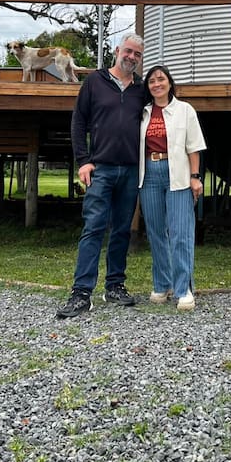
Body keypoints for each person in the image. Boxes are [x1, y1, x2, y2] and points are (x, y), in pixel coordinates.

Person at [56, 33, 145, 319]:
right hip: (101, 169)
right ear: (117, 50)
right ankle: (82, 292)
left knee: (122, 230)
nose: (131, 57)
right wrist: (83, 160)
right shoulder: (94, 81)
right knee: (93, 227)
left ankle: (115, 286)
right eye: (128, 51)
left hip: (131, 170)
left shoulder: (141, 89)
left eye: (137, 55)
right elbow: (79, 120)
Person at [139, 64, 206, 311]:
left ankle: (183, 289)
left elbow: (194, 146)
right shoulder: (143, 113)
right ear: (148, 87)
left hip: (177, 173)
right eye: (152, 81)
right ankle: (162, 284)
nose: (157, 84)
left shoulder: (184, 110)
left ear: (169, 82)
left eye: (161, 79)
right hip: (149, 174)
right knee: (156, 232)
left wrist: (195, 176)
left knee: (180, 232)